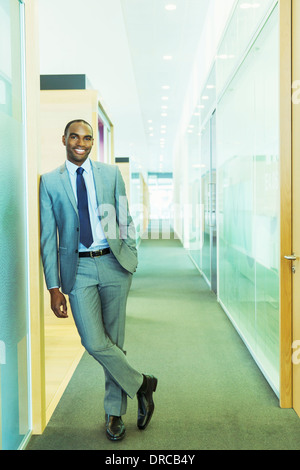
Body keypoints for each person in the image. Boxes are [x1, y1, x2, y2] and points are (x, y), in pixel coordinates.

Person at [39, 119, 157, 441]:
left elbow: (123, 217)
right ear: (64, 139)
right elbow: (49, 237)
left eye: (87, 138)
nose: (81, 142)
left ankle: (114, 413)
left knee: (114, 342)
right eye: (75, 137)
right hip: (78, 271)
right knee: (94, 342)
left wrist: (130, 258)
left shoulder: (110, 174)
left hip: (114, 263)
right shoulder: (49, 182)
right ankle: (142, 383)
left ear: (93, 142)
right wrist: (53, 287)